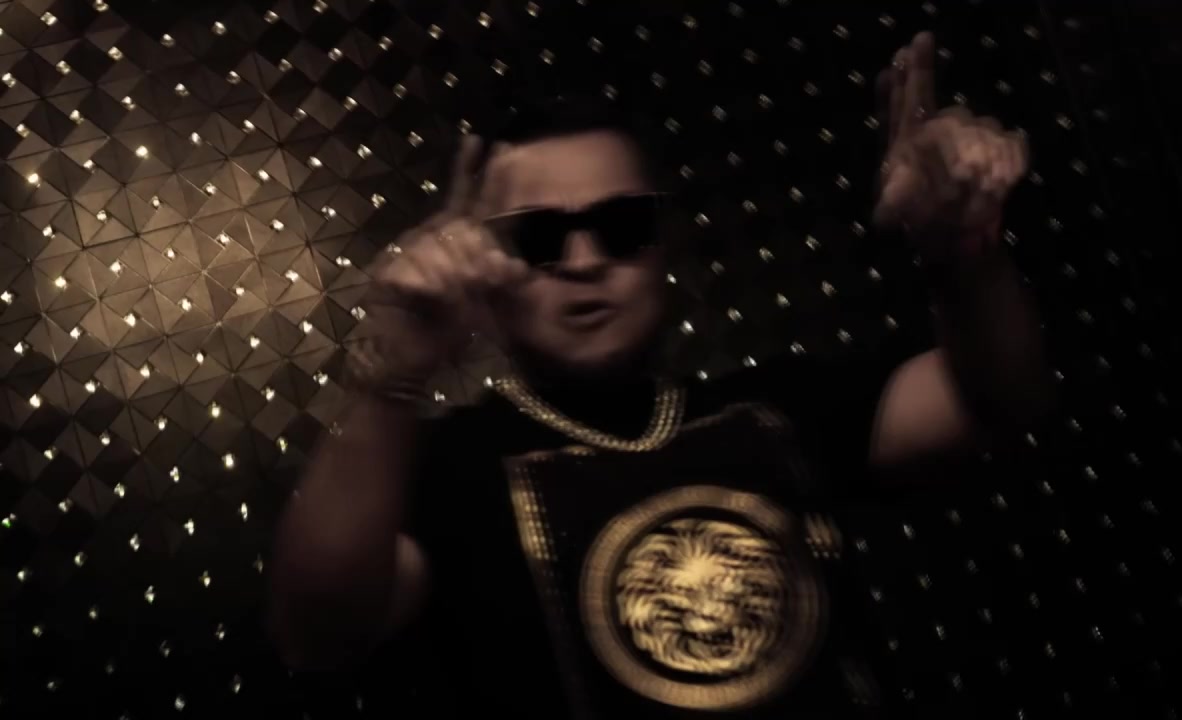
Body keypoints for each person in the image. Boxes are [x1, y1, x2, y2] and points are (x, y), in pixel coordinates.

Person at [267, 32, 1052, 718]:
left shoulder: (777, 410)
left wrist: (963, 249)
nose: (584, 262)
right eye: (538, 236)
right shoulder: (440, 467)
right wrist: (391, 373)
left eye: (620, 225)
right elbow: (317, 634)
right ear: (490, 270)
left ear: (663, 247)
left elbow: (995, 401)